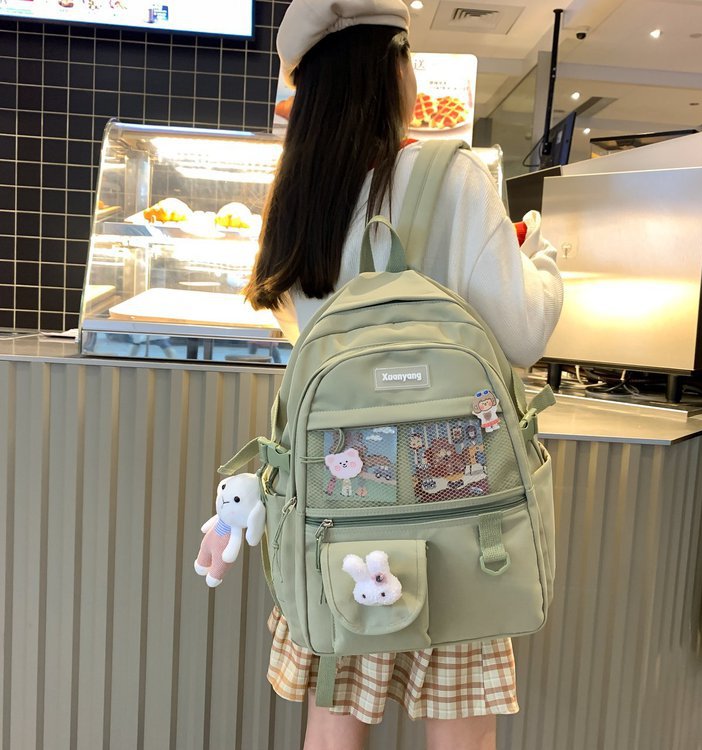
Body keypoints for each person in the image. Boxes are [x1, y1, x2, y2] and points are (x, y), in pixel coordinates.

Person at [246, 0, 564, 747]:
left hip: (340, 499)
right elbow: (522, 333)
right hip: (456, 498)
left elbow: (300, 329)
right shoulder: (455, 176)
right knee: (461, 732)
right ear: (393, 69)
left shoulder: (299, 197)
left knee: (334, 723)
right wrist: (542, 262)